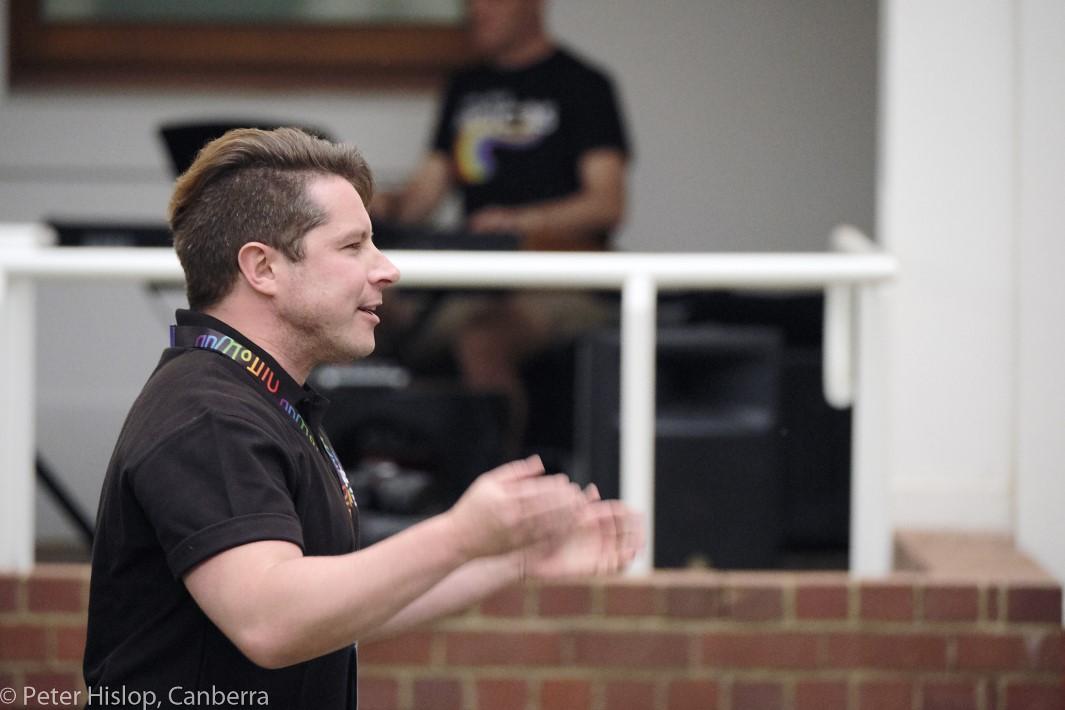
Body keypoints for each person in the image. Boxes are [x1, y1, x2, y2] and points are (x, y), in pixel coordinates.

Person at [83, 127, 641, 710]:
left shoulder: (262, 399)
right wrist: (459, 535)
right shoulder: (210, 413)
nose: (387, 270)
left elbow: (332, 609)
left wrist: (514, 559)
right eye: (353, 247)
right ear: (262, 268)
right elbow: (270, 620)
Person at [375, 0, 630, 450]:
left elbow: (607, 203)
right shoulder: (466, 87)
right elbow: (421, 199)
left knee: (483, 341)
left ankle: (503, 480)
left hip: (564, 279)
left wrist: (521, 222)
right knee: (364, 311)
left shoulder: (583, 84)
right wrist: (378, 203)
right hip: (477, 279)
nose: (478, 11)